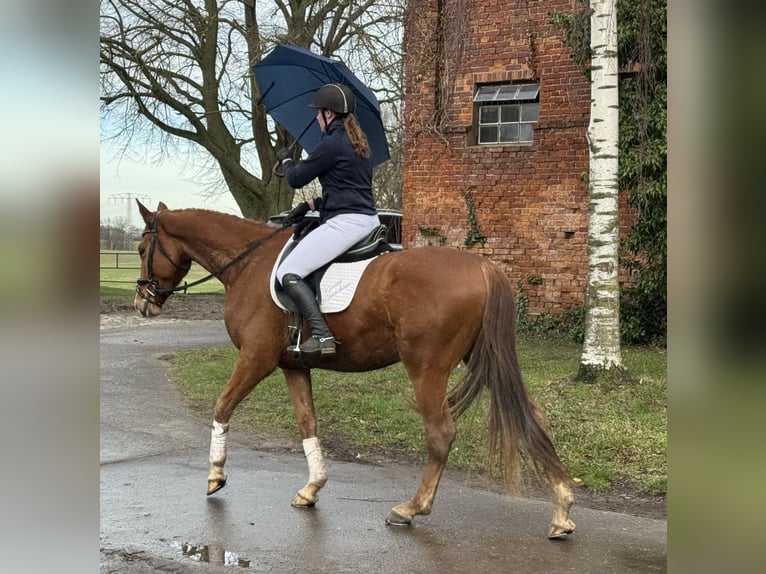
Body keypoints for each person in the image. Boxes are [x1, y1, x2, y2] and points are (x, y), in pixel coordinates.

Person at [275, 83, 380, 356]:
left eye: (318, 114)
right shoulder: (360, 144)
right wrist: (310, 204)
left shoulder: (331, 144)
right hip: (366, 219)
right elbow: (347, 190)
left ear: (328, 114)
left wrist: (287, 160)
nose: (317, 119)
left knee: (288, 271)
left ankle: (322, 336)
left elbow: (296, 178)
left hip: (346, 223)